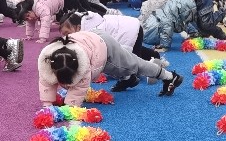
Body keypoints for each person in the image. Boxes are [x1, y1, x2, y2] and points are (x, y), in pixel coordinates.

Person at [38, 31, 182, 104]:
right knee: (124, 64)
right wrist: (47, 105)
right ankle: (128, 78)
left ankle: (170, 77)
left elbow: (74, 100)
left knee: (135, 64)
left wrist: (65, 110)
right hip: (92, 37)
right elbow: (46, 82)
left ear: (77, 69)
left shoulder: (83, 66)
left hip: (104, 47)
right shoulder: (48, 60)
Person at [141, 0, 226, 51]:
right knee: (203, 27)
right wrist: (194, 33)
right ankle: (223, 36)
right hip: (195, 2)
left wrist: (164, 46)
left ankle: (223, 10)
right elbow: (184, 24)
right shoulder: (165, 16)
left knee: (206, 23)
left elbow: (166, 30)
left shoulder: (165, 19)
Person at [15, 0, 105, 45]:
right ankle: (104, 12)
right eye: (26, 19)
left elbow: (46, 22)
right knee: (85, 6)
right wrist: (29, 36)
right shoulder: (30, 8)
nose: (29, 19)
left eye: (28, 15)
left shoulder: (40, 7)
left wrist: (42, 38)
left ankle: (102, 17)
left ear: (30, 10)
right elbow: (30, 23)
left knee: (81, 11)